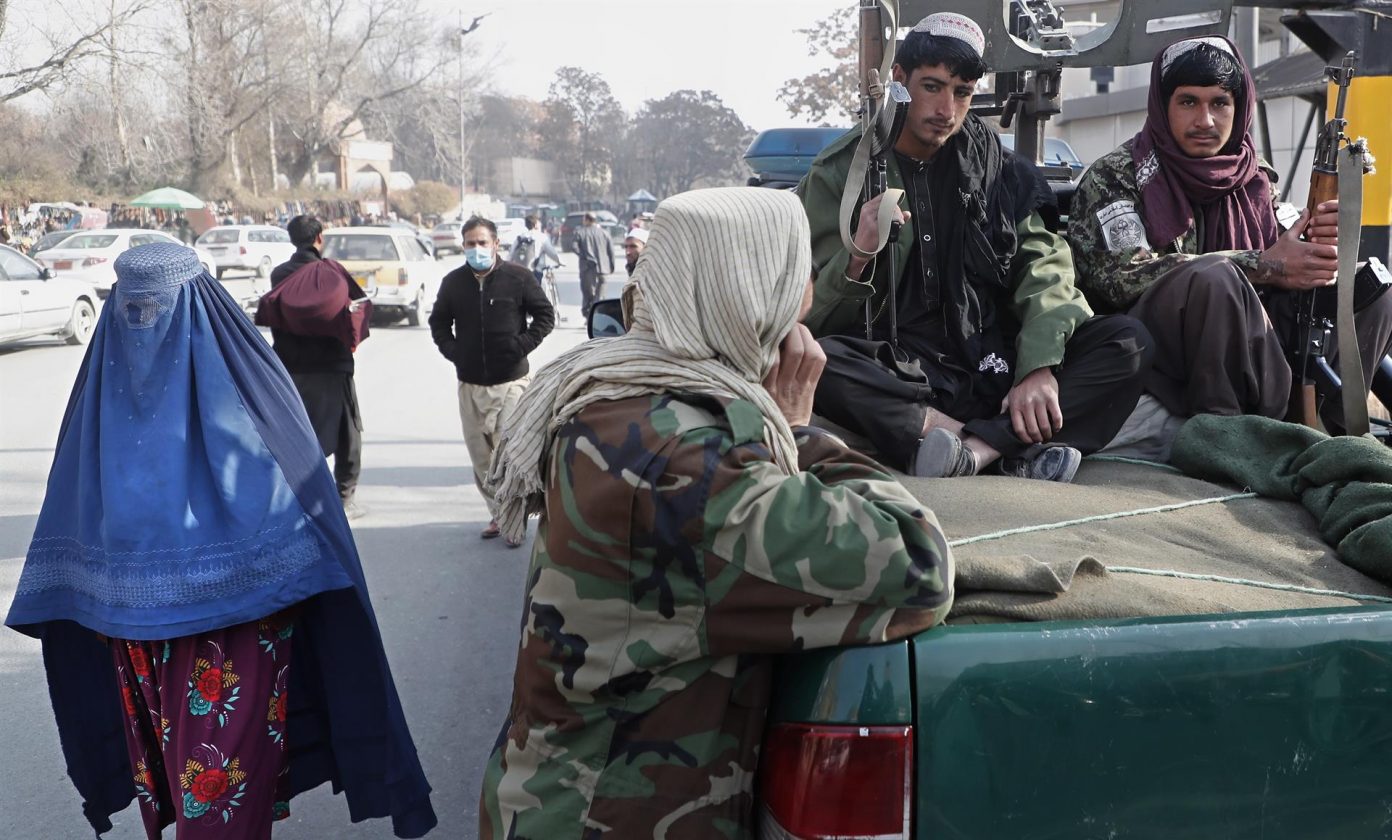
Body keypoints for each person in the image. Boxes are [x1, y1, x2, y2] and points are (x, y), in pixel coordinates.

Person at [479, 187, 954, 838]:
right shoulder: (689, 467)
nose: (805, 306)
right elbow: (918, 566)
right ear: (744, 294)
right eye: (791, 280)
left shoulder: (621, 394)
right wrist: (798, 431)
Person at [5, 242, 436, 839]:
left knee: (219, 798)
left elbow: (302, 496)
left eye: (156, 306)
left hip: (234, 625)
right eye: (131, 307)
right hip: (137, 634)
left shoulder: (248, 382)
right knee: (175, 785)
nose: (141, 321)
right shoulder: (100, 397)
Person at [800, 12, 1152, 482]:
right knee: (817, 359)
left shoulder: (996, 167)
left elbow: (1044, 267)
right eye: (933, 87)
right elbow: (810, 316)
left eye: (962, 92)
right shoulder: (840, 176)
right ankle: (991, 443)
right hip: (903, 372)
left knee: (1127, 343)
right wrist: (859, 255)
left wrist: (1038, 367)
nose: (947, 108)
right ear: (899, 80)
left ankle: (976, 451)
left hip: (992, 362)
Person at [1069, 36, 1392, 432]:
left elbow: (1284, 253)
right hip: (1155, 354)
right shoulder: (1117, 176)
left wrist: (1315, 247)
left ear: (1239, 108)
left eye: (1220, 103)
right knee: (1215, 277)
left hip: (1252, 338)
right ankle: (1224, 432)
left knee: (1373, 284)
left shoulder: (1255, 175)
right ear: (1162, 105)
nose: (1205, 121)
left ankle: (1332, 428)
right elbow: (1120, 278)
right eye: (1188, 102)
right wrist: (1264, 265)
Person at [429, 216, 555, 546]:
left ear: (496, 244)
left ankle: (515, 518)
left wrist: (520, 346)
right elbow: (439, 323)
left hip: (510, 381)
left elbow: (545, 316)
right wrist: (455, 352)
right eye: (470, 243)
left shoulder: (518, 278)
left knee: (508, 453)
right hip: (470, 384)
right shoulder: (454, 282)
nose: (476, 249)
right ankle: (498, 514)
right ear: (463, 246)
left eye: (482, 242)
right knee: (481, 457)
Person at [267, 215, 367, 519]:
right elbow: (357, 306)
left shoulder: (279, 274)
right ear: (319, 238)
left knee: (297, 429)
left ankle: (300, 497)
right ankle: (344, 497)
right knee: (346, 431)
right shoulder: (334, 273)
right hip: (333, 365)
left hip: (291, 366)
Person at [573, 211, 615, 316]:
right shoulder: (605, 233)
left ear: (587, 220)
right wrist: (611, 266)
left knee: (588, 293)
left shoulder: (580, 232)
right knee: (600, 294)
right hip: (603, 268)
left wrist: (583, 256)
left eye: (583, 219)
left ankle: (588, 315)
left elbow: (574, 247)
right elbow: (611, 252)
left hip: (587, 268)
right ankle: (598, 314)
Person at [515, 213, 562, 286]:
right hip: (535, 271)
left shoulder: (520, 238)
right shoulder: (541, 237)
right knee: (536, 293)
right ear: (536, 225)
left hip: (520, 271)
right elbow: (552, 253)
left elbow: (511, 254)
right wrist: (559, 262)